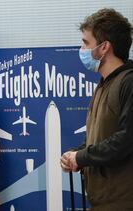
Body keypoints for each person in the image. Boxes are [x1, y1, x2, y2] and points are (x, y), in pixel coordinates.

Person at [60, 8, 133, 210]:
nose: (81, 49)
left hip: (122, 202)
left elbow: (125, 140)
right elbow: (99, 137)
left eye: (85, 43)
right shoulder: (104, 84)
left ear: (104, 47)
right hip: (102, 201)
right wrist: (76, 155)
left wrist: (82, 157)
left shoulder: (129, 82)